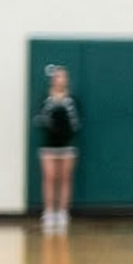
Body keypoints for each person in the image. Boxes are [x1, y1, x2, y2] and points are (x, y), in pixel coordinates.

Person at [35, 65, 81, 233]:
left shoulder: (72, 100)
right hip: (48, 145)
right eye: (57, 77)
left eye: (63, 77)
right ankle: (49, 212)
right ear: (53, 80)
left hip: (67, 145)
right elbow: (40, 119)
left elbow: (76, 123)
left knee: (65, 178)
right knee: (49, 177)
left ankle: (62, 212)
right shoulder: (45, 99)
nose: (60, 80)